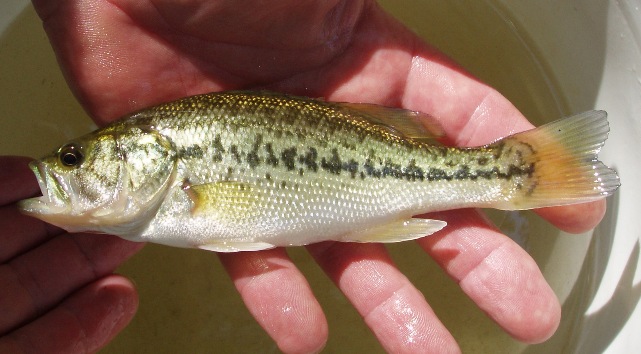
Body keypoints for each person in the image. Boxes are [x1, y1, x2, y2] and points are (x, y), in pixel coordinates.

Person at [0, 1, 607, 353]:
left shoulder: (174, 174)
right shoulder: (166, 182)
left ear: (146, 155)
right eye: (72, 162)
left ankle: (510, 174)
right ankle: (512, 173)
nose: (64, 172)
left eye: (76, 160)